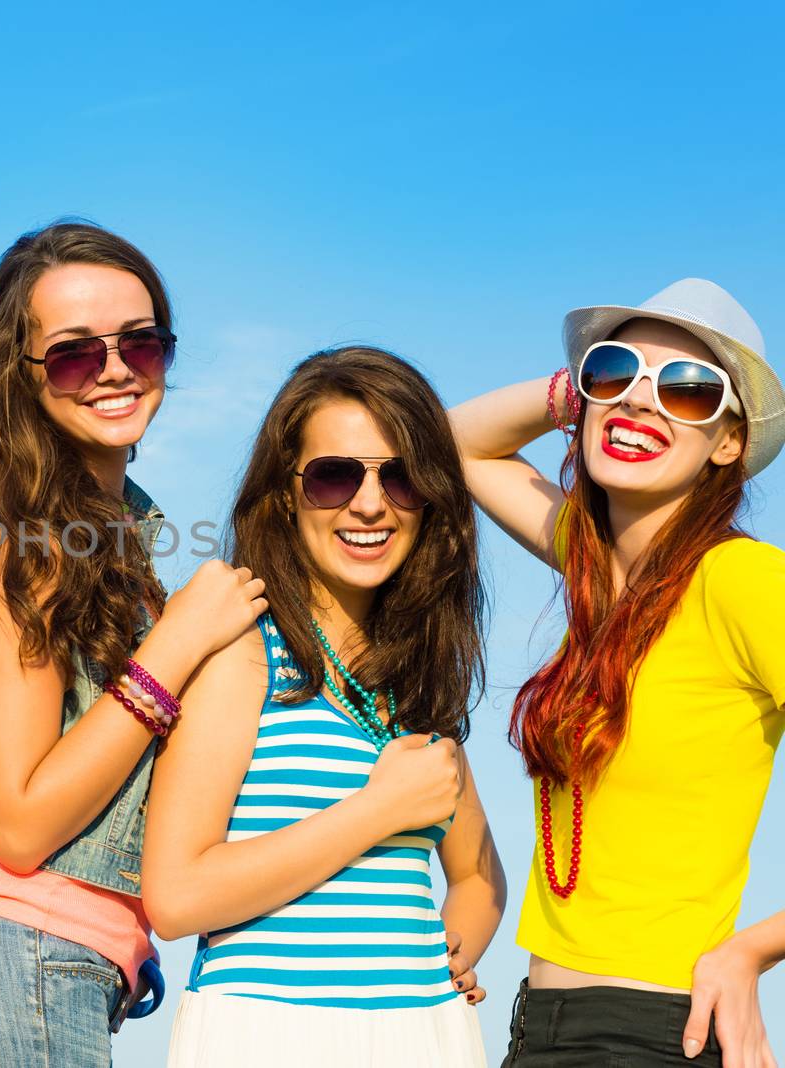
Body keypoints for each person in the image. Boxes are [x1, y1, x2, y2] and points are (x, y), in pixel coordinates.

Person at [0, 222, 266, 1067]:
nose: (113, 369)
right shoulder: (26, 549)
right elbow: (19, 825)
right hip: (10, 959)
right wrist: (174, 645)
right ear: (19, 376)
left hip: (48, 968)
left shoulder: (110, 536)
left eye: (141, 342)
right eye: (71, 354)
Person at [450, 279, 785, 1066]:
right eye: (617, 372)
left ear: (730, 442)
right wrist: (581, 392)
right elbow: (450, 441)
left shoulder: (741, 581)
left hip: (655, 1029)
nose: (644, 403)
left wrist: (754, 951)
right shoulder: (598, 572)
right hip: (541, 1029)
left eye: (691, 392)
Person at [145, 347, 501, 1066]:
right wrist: (376, 811)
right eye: (334, 475)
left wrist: (446, 959)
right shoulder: (246, 652)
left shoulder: (416, 686)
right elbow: (175, 896)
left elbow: (478, 876)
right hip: (268, 1031)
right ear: (285, 493)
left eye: (399, 477)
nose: (369, 504)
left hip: (425, 1037)